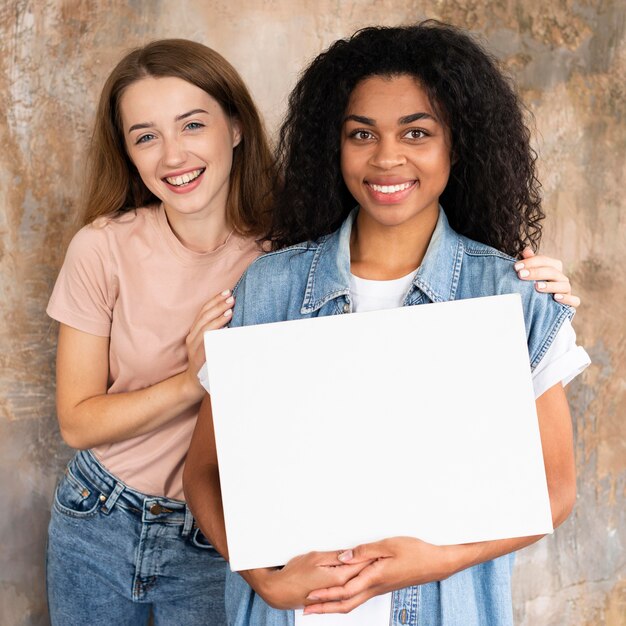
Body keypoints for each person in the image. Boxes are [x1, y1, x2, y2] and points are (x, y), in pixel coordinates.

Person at [183, 21, 590, 626]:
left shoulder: (510, 292)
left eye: (416, 132)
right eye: (361, 134)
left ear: (459, 145)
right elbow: (204, 474)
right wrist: (262, 580)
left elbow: (554, 491)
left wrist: (439, 559)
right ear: (335, 146)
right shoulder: (270, 287)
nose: (387, 157)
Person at [45, 39, 274, 625]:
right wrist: (192, 380)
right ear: (127, 152)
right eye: (146, 136)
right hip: (98, 519)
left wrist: (536, 289)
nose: (173, 156)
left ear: (237, 126)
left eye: (191, 125)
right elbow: (77, 420)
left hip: (216, 534)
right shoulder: (101, 247)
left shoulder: (287, 257)